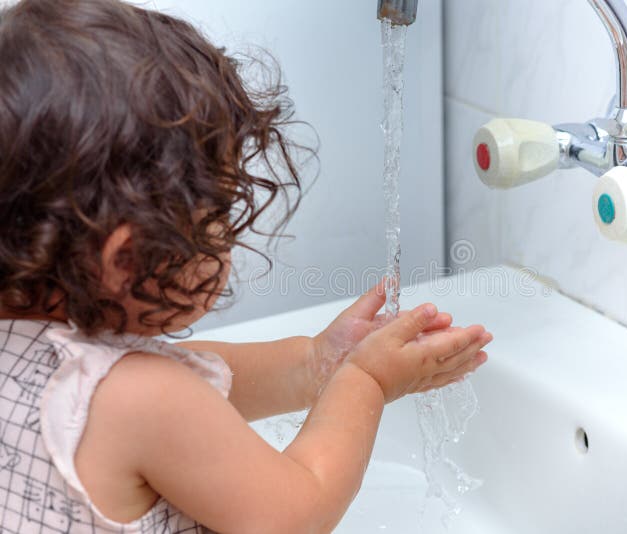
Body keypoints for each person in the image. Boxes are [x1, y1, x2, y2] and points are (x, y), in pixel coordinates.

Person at [0, 1, 492, 532]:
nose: (228, 242)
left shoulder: (38, 348)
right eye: (218, 218)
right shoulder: (141, 399)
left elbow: (197, 374)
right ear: (125, 259)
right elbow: (298, 512)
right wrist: (365, 381)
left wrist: (318, 363)